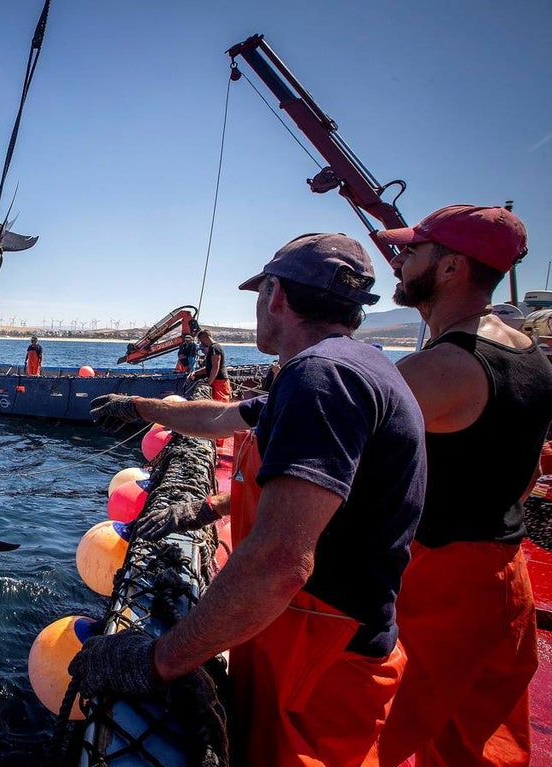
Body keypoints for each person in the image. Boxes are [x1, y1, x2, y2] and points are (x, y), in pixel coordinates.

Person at [76, 233, 427, 766]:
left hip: (319, 656)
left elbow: (280, 564)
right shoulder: (348, 366)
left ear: (277, 295)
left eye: (260, 294)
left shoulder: (322, 379)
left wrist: (157, 660)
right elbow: (224, 417)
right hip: (305, 633)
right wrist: (142, 407)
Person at [369, 205, 552, 767]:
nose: (398, 263)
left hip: (441, 585)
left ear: (450, 269)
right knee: (478, 745)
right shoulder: (530, 357)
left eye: (411, 252)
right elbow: (526, 478)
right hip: (503, 576)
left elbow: (331, 440)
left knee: (369, 735)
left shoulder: (442, 367)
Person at [188, 329, 229, 401]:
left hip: (219, 381)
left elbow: (215, 367)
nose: (201, 343)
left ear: (205, 337)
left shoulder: (215, 348)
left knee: (221, 405)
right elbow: (209, 368)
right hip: (216, 380)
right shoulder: (212, 348)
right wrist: (195, 373)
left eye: (201, 340)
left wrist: (208, 383)